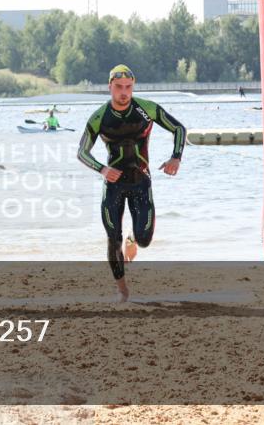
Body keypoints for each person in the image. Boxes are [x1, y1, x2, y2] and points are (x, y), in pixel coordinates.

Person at [78, 64, 187, 302]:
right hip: (114, 185)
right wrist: (102, 169)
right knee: (112, 238)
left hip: (140, 182)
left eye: (128, 87)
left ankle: (133, 238)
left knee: (144, 239)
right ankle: (122, 289)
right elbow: (82, 152)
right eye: (119, 87)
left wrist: (176, 158)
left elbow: (179, 128)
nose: (124, 92)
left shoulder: (146, 109)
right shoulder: (99, 117)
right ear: (110, 87)